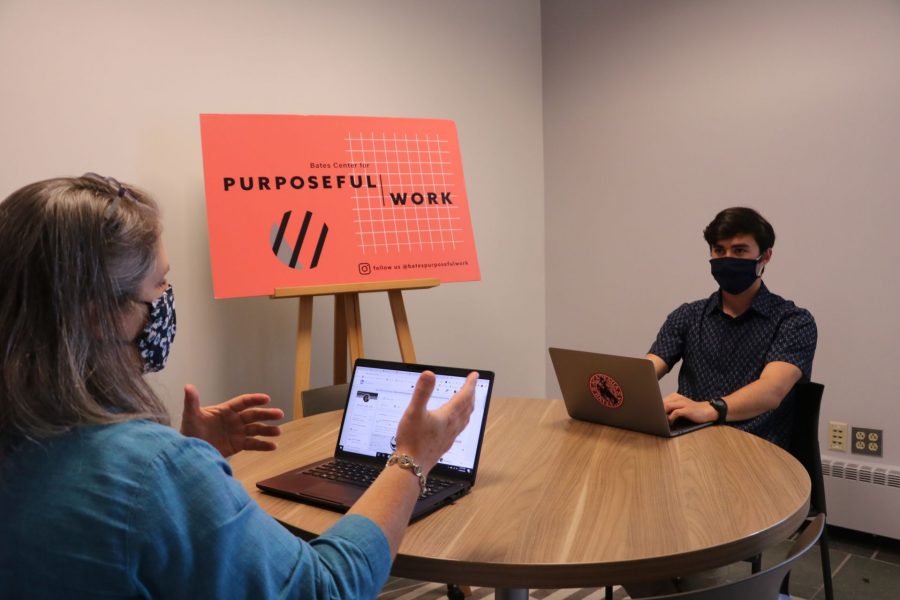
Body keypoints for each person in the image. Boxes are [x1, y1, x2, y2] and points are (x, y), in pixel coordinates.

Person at [0, 174, 478, 599]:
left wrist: (184, 463)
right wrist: (412, 456)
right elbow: (325, 588)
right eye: (159, 286)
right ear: (97, 314)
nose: (166, 300)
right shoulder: (150, 469)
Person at [647, 207, 817, 449]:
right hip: (690, 447)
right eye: (719, 250)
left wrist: (709, 409)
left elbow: (772, 390)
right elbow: (649, 369)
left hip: (757, 454)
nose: (727, 258)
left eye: (739, 250)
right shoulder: (688, 315)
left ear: (765, 256)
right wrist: (615, 391)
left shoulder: (793, 322)